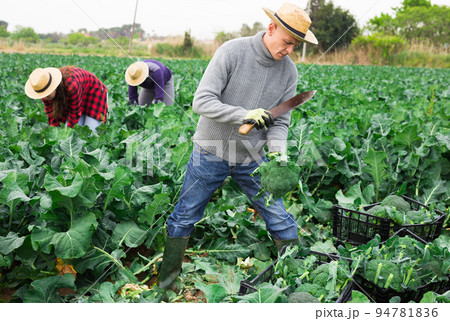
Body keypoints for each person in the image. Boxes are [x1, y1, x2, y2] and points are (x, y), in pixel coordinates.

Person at [157, 3, 318, 289]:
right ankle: (166, 285)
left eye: (295, 45)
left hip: (251, 158)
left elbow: (279, 122)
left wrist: (278, 152)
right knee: (185, 216)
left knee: (280, 217)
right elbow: (202, 102)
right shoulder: (232, 52)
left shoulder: (289, 73)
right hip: (210, 151)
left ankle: (297, 282)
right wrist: (244, 114)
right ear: (271, 29)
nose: (290, 50)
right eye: (287, 42)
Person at [25, 66, 108, 132]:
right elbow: (51, 114)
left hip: (95, 92)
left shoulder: (71, 85)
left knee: (90, 133)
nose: (45, 98)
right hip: (79, 94)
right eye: (43, 95)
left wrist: (67, 133)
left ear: (54, 86)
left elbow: (75, 113)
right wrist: (54, 132)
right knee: (78, 132)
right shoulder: (42, 89)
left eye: (48, 94)